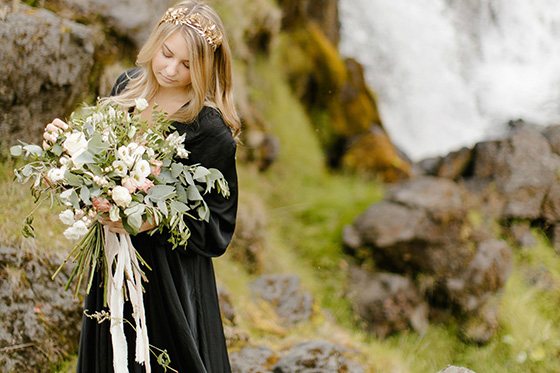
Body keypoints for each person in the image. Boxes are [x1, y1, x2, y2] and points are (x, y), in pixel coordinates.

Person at [45, 1, 239, 372]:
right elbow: (98, 155)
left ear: (205, 69)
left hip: (169, 278)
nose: (170, 69)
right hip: (114, 256)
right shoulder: (127, 86)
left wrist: (155, 218)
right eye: (167, 54)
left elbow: (218, 227)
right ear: (156, 41)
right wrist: (66, 151)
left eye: (187, 66)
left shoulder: (210, 131)